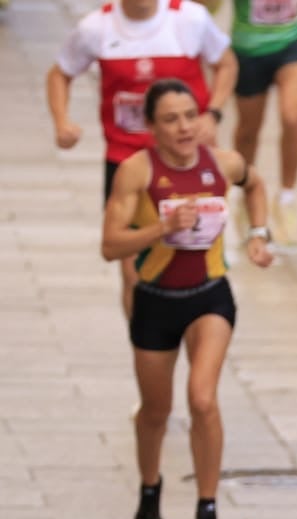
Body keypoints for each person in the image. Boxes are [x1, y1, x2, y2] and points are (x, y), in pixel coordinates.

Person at [102, 79, 274, 519]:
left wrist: (259, 235)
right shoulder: (136, 172)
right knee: (155, 412)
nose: (184, 127)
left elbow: (256, 184)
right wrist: (161, 228)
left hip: (209, 297)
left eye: (189, 116)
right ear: (152, 127)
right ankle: (150, 490)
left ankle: (207, 511)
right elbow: (109, 245)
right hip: (155, 301)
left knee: (202, 399)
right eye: (171, 119)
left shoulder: (221, 163)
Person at [49, 0, 236, 313]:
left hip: (185, 162)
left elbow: (226, 63)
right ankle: (147, 345)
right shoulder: (96, 27)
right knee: (133, 270)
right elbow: (59, 73)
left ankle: (195, 333)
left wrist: (212, 114)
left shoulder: (188, 18)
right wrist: (61, 121)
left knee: (194, 260)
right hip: (127, 161)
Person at [224, 0, 297, 246]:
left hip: (296, 41)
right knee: (249, 130)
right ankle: (244, 192)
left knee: (292, 116)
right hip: (249, 49)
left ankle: (287, 198)